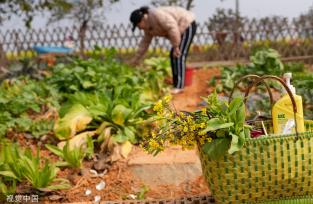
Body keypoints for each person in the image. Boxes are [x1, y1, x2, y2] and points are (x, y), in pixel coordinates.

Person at [129, 6, 197, 94]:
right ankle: (176, 85)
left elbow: (172, 27)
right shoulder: (148, 27)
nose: (139, 28)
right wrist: (135, 60)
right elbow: (144, 44)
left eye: (138, 26)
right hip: (178, 31)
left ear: (142, 20)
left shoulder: (156, 15)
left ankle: (179, 86)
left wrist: (176, 46)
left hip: (187, 24)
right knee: (173, 55)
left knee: (179, 54)